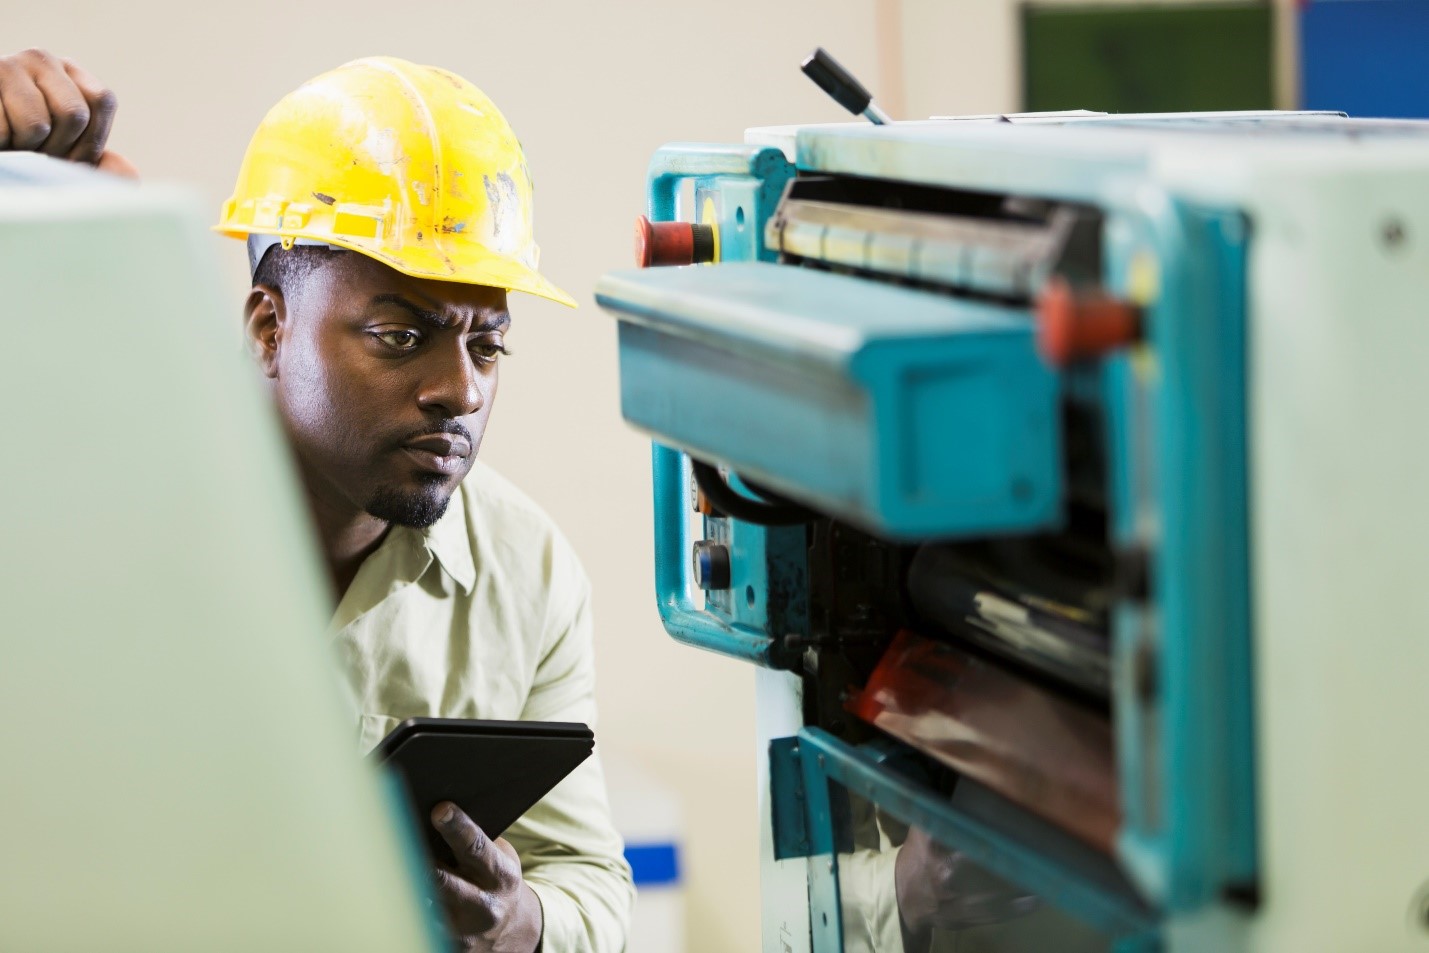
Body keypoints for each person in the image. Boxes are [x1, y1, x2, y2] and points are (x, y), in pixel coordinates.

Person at [0, 48, 633, 953]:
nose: (459, 389)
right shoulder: (86, 502)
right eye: (399, 333)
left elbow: (586, 877)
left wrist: (518, 924)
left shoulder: (525, 573)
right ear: (269, 326)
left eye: (487, 345)